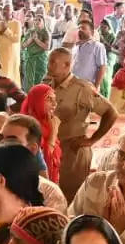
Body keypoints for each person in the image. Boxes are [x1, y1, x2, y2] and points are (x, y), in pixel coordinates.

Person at [45, 48, 116, 197]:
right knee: (50, 194)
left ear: (67, 65)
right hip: (50, 149)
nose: (48, 65)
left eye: (53, 62)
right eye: (49, 61)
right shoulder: (46, 84)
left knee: (70, 196)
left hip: (72, 151)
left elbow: (111, 113)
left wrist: (92, 140)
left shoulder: (82, 89)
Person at [23, 84, 61, 182]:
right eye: (49, 99)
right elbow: (42, 163)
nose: (54, 104)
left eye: (54, 99)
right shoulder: (28, 127)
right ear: (37, 101)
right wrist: (54, 133)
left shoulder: (47, 123)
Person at [0, 7, 22, 85]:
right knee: (2, 75)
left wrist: (6, 30)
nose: (5, 11)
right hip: (1, 55)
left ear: (12, 12)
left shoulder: (17, 23)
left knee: (13, 78)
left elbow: (16, 39)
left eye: (8, 9)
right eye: (4, 10)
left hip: (13, 56)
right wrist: (1, 33)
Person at [70, 19, 108, 88]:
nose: (80, 30)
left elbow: (102, 67)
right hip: (73, 84)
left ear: (92, 32)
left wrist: (96, 87)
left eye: (83, 28)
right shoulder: (75, 47)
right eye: (79, 28)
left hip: (88, 86)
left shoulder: (97, 46)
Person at [20, 14, 50, 90]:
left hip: (40, 60)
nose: (36, 21)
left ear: (43, 21)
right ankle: (29, 98)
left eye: (39, 20)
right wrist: (31, 39)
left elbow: (47, 47)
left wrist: (36, 40)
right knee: (29, 81)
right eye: (35, 20)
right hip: (30, 59)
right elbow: (23, 46)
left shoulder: (45, 33)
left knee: (40, 79)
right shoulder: (30, 31)